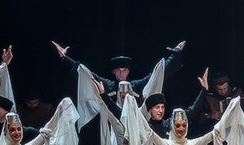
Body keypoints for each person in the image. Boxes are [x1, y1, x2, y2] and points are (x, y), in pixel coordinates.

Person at [52, 39, 186, 104]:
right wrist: (65, 58)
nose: (122, 73)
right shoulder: (108, 86)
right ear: (114, 72)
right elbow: (87, 74)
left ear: (128, 71)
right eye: (118, 70)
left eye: (124, 70)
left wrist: (175, 55)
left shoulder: (136, 86)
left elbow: (157, 75)